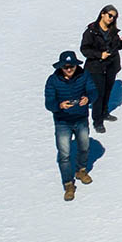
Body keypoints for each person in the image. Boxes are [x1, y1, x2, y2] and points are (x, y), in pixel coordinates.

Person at [44, 50, 98, 202]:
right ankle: (68, 184)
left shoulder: (84, 75)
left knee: (84, 146)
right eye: (66, 67)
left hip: (80, 118)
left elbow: (93, 91)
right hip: (63, 122)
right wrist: (59, 105)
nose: (69, 70)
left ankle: (81, 170)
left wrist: (88, 99)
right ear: (61, 67)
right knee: (64, 154)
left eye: (72, 67)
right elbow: (49, 103)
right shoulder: (53, 81)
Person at [81, 4, 122, 133]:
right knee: (98, 94)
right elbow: (84, 49)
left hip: (111, 65)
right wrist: (99, 55)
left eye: (114, 17)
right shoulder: (91, 31)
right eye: (110, 15)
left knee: (108, 90)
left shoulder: (113, 31)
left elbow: (118, 47)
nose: (111, 19)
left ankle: (104, 112)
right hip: (96, 67)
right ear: (102, 14)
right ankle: (97, 121)